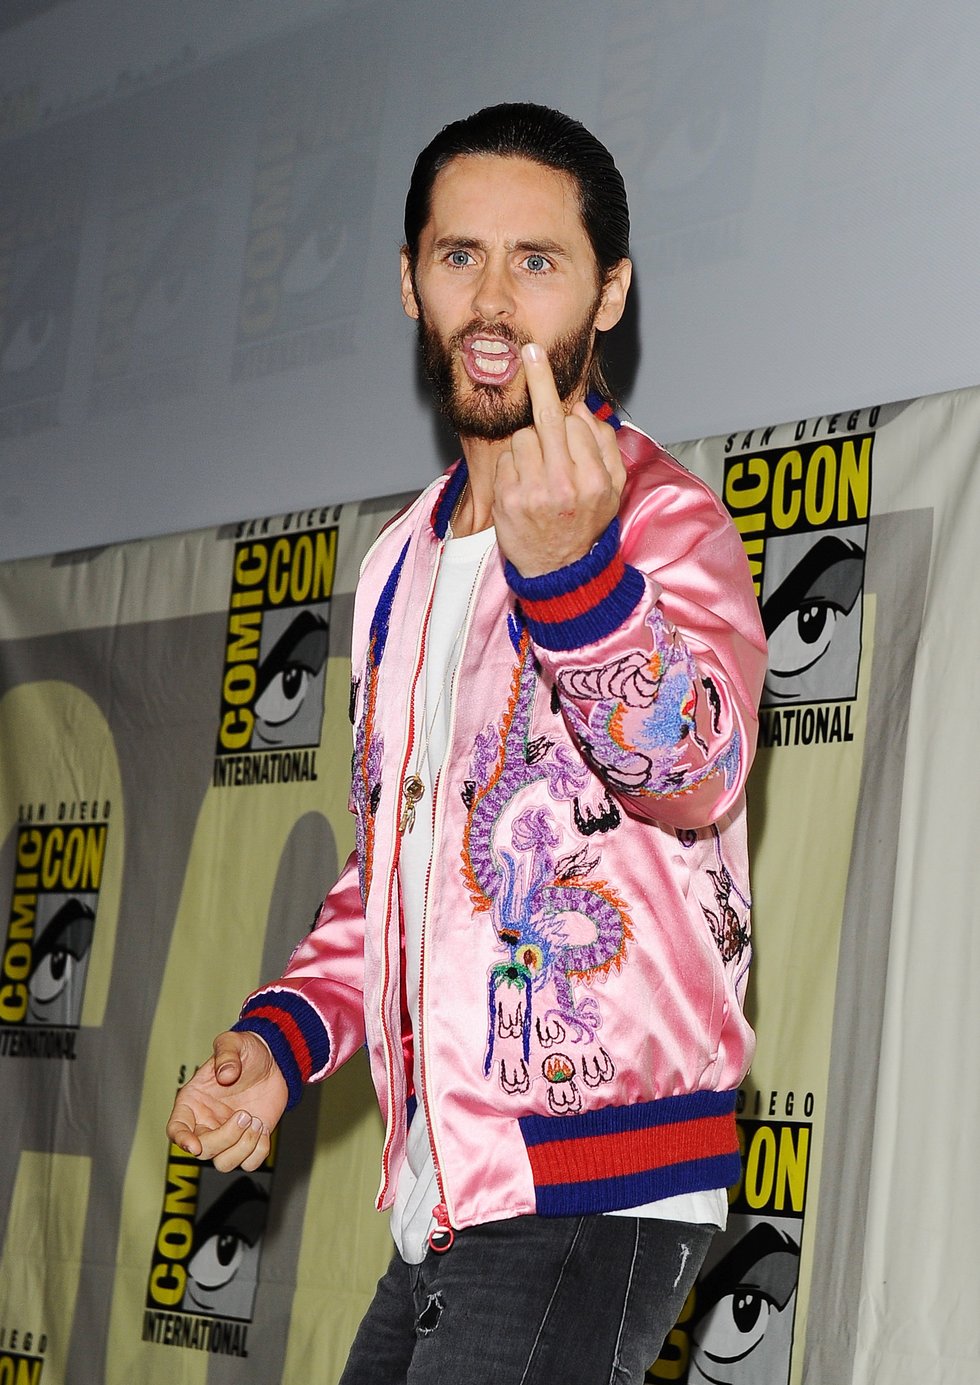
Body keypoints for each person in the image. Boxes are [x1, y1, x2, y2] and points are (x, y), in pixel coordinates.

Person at [167, 102, 767, 1383]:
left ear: (608, 293)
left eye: (536, 261)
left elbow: (698, 773)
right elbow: (401, 866)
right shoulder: (400, 559)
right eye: (459, 256)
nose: (492, 301)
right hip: (446, 1184)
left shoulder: (662, 518)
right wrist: (281, 1042)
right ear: (409, 280)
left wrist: (574, 578)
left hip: (598, 1183)